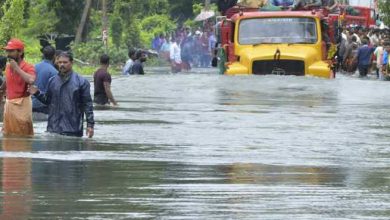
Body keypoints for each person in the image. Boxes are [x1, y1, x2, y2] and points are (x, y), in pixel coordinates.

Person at [28, 52, 94, 138]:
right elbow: (48, 101)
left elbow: (88, 105)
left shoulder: (81, 82)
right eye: (60, 62)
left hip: (73, 128)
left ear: (71, 63)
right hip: (53, 128)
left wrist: (90, 125)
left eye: (65, 62)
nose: (62, 64)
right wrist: (37, 93)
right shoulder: (52, 81)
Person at [1, 39, 36, 136]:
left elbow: (31, 80)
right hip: (9, 107)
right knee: (7, 136)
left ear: (20, 52)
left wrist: (17, 68)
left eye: (11, 51)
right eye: (7, 51)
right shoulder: (8, 66)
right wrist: (2, 89)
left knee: (22, 137)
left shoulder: (28, 67)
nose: (8, 54)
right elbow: (7, 81)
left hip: (22, 107)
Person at [33, 45, 58, 114]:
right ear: (54, 56)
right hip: (43, 104)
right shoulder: (54, 72)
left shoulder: (34, 67)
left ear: (43, 55)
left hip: (31, 102)